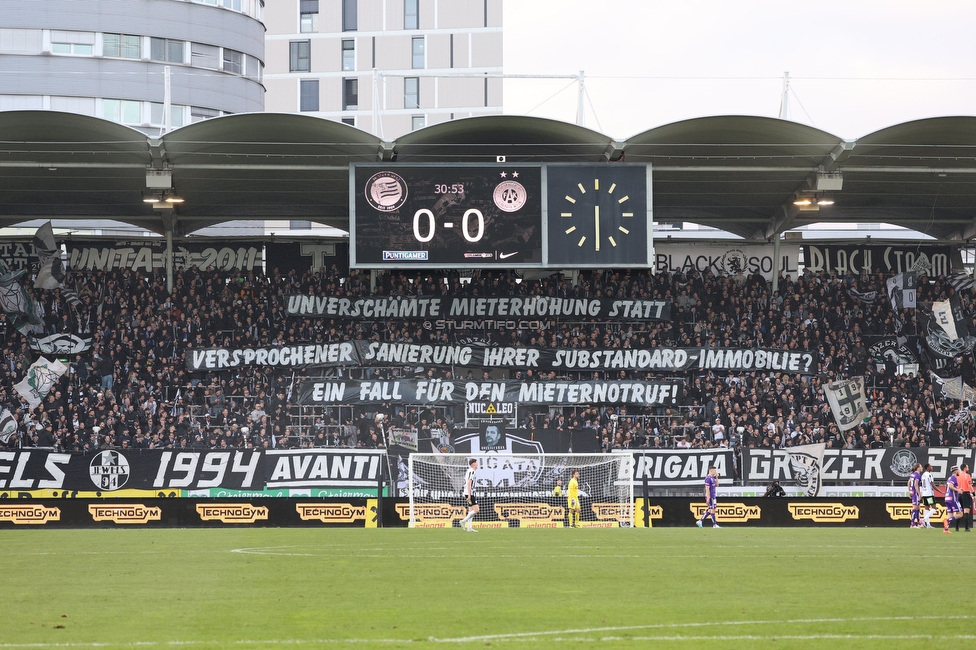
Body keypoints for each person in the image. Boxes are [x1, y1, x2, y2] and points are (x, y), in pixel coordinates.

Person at [457, 458, 479, 533]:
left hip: (467, 492)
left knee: (471, 510)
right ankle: (463, 521)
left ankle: (469, 528)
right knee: (476, 510)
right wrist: (470, 495)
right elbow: (469, 483)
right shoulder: (472, 471)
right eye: (476, 463)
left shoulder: (469, 471)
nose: (477, 464)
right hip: (470, 493)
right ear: (473, 464)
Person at [944, 466, 962, 534]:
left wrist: (958, 490)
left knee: (950, 514)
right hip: (953, 498)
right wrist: (958, 490)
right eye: (958, 470)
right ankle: (947, 520)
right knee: (960, 514)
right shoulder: (954, 478)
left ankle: (946, 529)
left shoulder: (949, 478)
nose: (959, 471)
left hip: (947, 498)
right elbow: (950, 486)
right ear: (956, 471)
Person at [955, 463, 973, 532]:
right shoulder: (967, 476)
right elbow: (970, 486)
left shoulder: (958, 476)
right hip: (966, 493)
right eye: (967, 467)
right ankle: (966, 528)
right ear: (965, 468)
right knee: (966, 511)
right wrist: (974, 494)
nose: (968, 469)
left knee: (959, 511)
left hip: (959, 494)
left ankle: (956, 528)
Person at [920, 463, 936, 529]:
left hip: (924, 494)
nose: (932, 467)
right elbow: (932, 484)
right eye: (930, 466)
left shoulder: (923, 475)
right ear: (927, 468)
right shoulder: (929, 475)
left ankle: (928, 525)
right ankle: (923, 519)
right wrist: (941, 491)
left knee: (926, 508)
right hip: (929, 494)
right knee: (934, 508)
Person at [908, 463, 923, 529]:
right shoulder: (917, 475)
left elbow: (908, 483)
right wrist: (919, 494)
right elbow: (916, 484)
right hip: (915, 493)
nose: (922, 468)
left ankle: (919, 522)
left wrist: (909, 491)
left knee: (918, 507)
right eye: (921, 467)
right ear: (918, 468)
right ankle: (912, 524)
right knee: (915, 507)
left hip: (912, 492)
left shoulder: (912, 474)